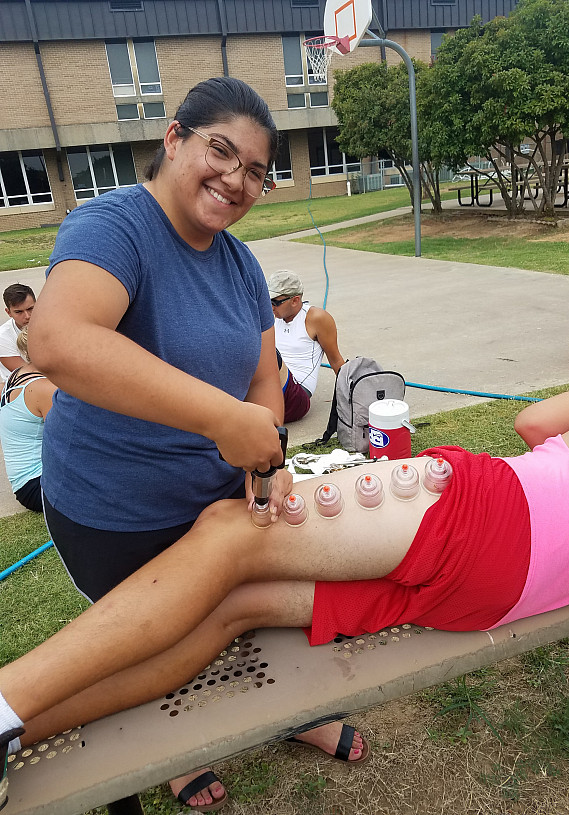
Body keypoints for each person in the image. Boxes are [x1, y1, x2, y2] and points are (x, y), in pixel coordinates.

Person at [1, 380, 569, 812]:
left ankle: (5, 706)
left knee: (229, 532)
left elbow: (533, 424)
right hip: (504, 593)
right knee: (237, 608)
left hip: (493, 512)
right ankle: (17, 736)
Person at [25, 78, 360, 812]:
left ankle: (289, 710)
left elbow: (264, 379)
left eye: (255, 172)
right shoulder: (114, 226)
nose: (235, 180)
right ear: (173, 139)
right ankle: (171, 753)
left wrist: (264, 448)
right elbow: (56, 339)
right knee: (151, 642)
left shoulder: (240, 265)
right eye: (221, 151)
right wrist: (218, 420)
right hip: (115, 510)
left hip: (215, 497)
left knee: (247, 614)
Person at [269, 271, 345, 416]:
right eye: (268, 300)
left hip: (297, 395)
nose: (271, 307)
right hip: (268, 388)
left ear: (295, 300)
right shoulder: (271, 317)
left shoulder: (316, 318)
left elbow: (336, 360)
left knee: (269, 354)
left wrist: (354, 396)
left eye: (275, 302)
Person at [0, 327, 56, 513]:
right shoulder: (44, 388)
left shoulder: (16, 375)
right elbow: (68, 441)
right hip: (38, 486)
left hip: (25, 484)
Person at [0, 284, 36, 382]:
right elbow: (27, 374)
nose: (27, 316)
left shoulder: (51, 323)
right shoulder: (3, 337)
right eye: (19, 312)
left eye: (30, 309)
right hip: (20, 386)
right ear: (8, 312)